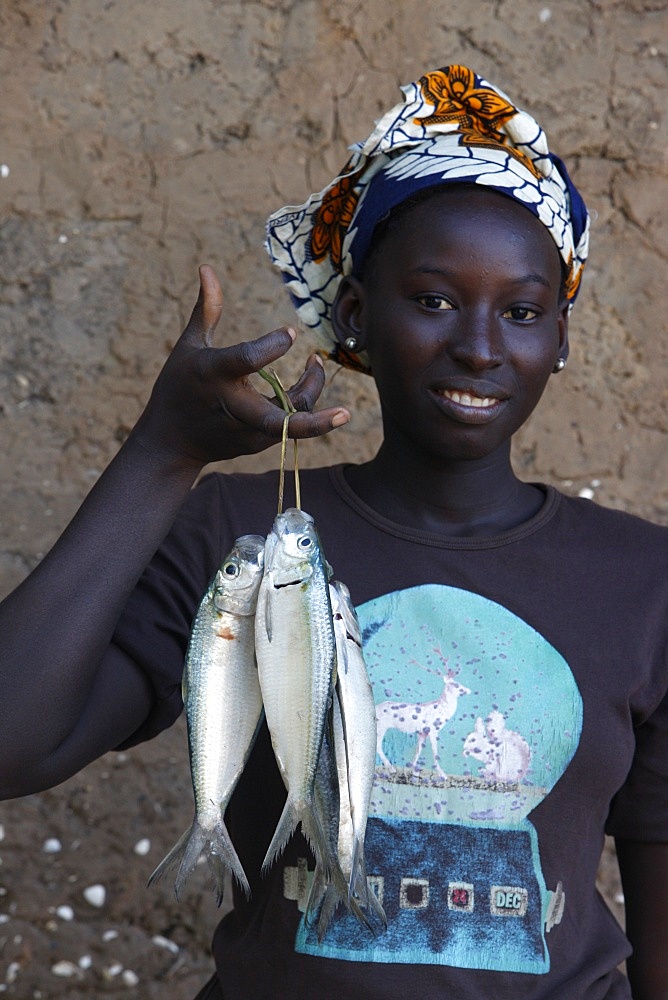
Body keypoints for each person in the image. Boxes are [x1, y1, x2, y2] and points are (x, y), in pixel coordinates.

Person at [0, 64, 666, 999]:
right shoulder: (242, 540)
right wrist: (161, 454)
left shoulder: (644, 581)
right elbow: (11, 745)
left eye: (521, 312)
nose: (479, 345)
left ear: (560, 338)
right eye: (434, 299)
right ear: (355, 313)